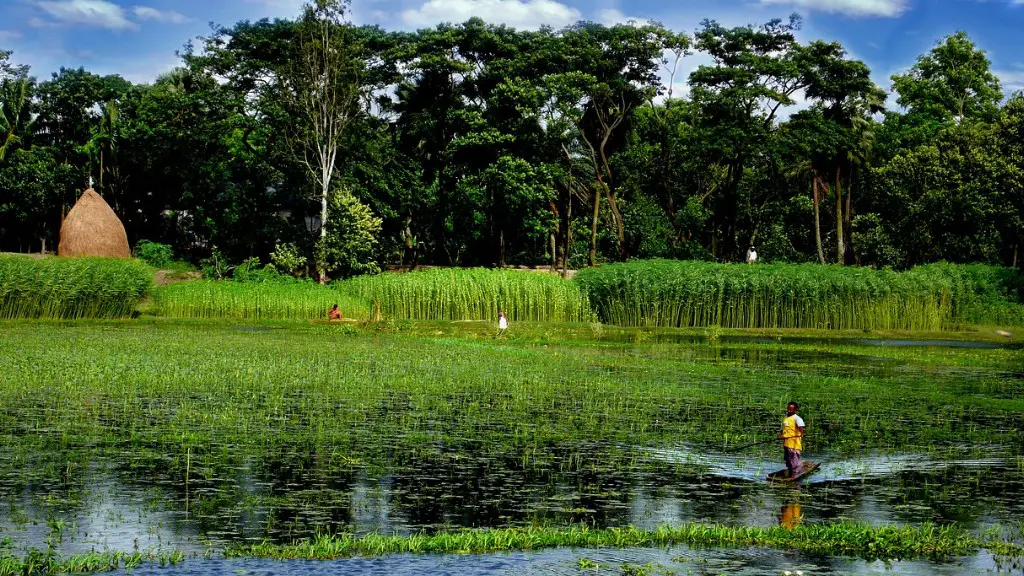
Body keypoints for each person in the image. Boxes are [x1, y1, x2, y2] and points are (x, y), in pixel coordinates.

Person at [777, 401, 806, 478]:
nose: (789, 410)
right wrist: (780, 435)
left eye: (791, 409)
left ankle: (794, 475)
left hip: (794, 444)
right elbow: (782, 429)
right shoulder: (785, 419)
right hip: (786, 443)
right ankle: (790, 472)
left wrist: (801, 434)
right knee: (787, 459)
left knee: (794, 460)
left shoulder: (797, 418)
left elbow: (801, 430)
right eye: (788, 409)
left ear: (795, 410)